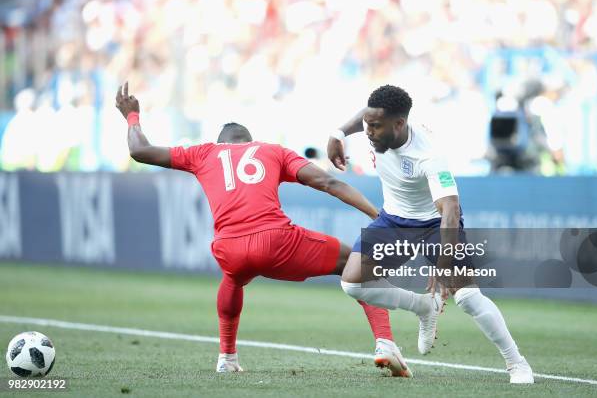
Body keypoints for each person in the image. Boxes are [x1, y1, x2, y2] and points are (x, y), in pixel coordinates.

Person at [115, 82, 411, 377]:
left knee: (232, 280)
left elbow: (139, 150)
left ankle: (227, 358)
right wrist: (378, 215)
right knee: (357, 263)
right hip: (276, 241)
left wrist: (132, 116)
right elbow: (329, 183)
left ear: (222, 143)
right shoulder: (272, 151)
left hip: (229, 248)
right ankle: (385, 342)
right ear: (250, 140)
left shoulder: (203, 153)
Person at [327, 84, 534, 384]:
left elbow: (450, 209)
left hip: (435, 224)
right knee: (352, 283)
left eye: (374, 126)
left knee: (469, 298)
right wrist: (338, 134)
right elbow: (365, 115)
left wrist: (443, 264)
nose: (368, 131)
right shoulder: (378, 123)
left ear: (399, 124)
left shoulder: (429, 155)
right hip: (395, 221)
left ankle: (517, 363)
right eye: (366, 124)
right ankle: (423, 306)